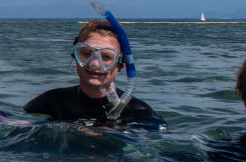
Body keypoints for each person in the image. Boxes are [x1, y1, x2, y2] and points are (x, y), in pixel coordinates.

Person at [23, 20, 164, 130]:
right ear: (74, 57)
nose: (94, 64)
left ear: (120, 65)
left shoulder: (138, 112)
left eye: (106, 57)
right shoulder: (52, 102)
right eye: (86, 54)